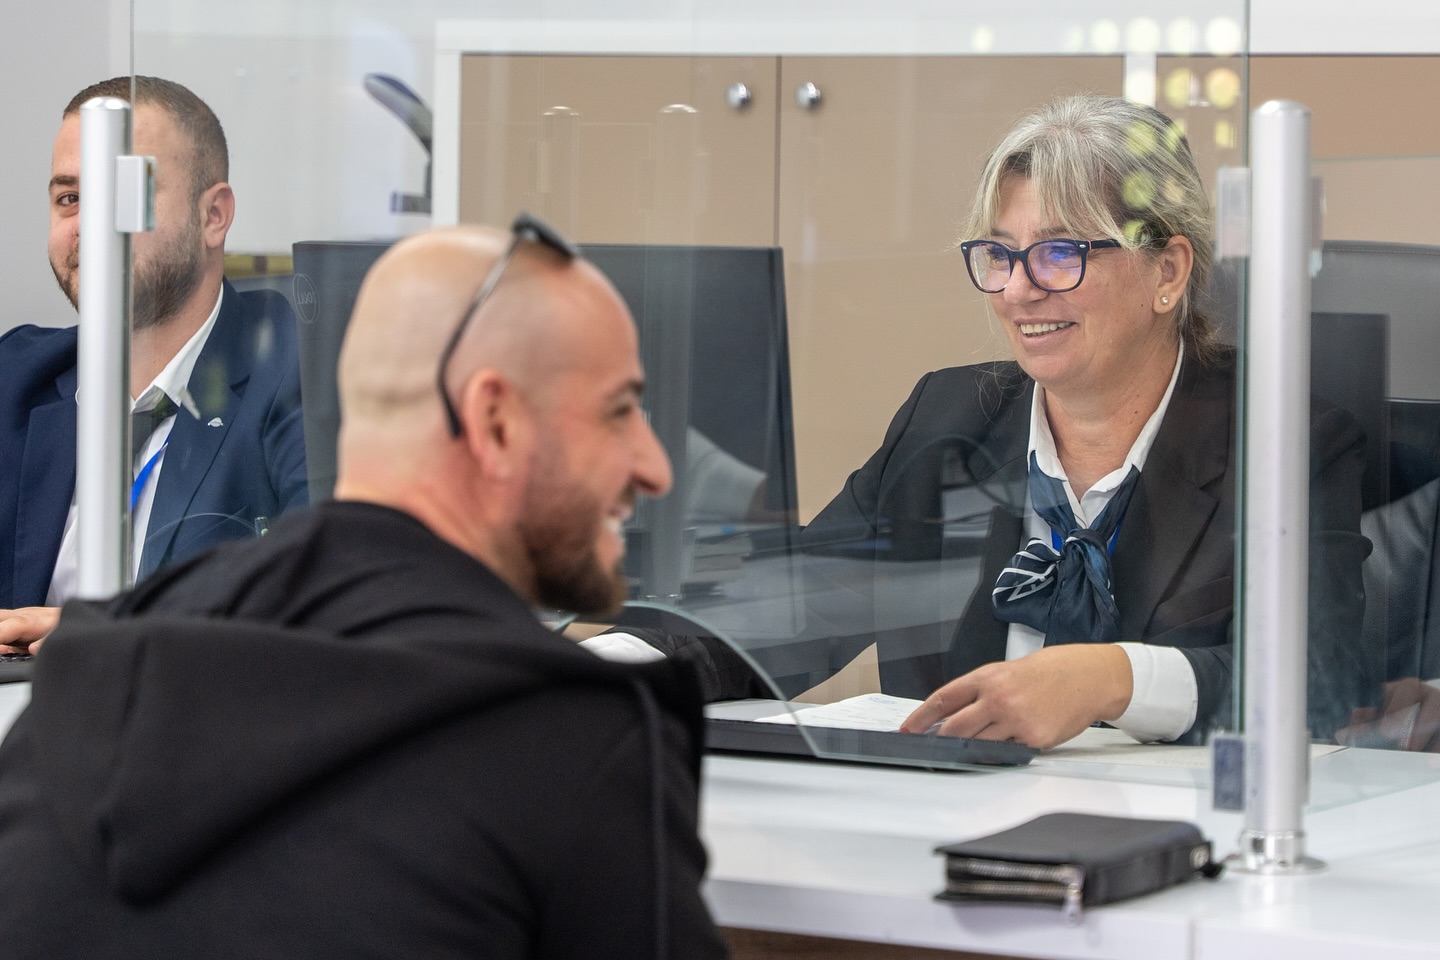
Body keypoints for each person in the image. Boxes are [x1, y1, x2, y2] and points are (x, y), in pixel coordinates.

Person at [0, 220, 728, 959]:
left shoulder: (88, 686)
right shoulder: (570, 747)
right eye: (619, 411)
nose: (655, 466)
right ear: (495, 422)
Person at [797, 94, 1372, 747]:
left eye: (1059, 253)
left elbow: (1315, 683)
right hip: (950, 804)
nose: (1017, 291)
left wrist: (1115, 679)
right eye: (1000, 254)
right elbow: (785, 614)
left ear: (1168, 271)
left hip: (1174, 809)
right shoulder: (943, 418)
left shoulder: (1279, 442)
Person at [0, 75, 306, 649]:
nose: (88, 225)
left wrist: (128, 629)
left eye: (121, 194)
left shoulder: (295, 376)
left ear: (213, 216)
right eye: (69, 199)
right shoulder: (16, 379)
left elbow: (333, 596)